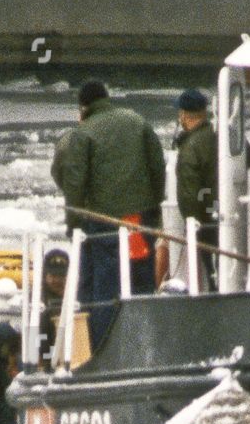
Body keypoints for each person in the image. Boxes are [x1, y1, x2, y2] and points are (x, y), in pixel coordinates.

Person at [51, 80, 166, 351]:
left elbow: (75, 182)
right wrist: (153, 206)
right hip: (139, 220)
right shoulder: (137, 121)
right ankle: (143, 344)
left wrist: (74, 223)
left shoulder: (83, 133)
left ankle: (102, 349)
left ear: (83, 106)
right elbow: (158, 165)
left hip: (103, 223)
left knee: (101, 292)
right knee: (141, 282)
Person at [172, 88, 218, 291]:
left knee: (212, 269)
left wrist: (192, 223)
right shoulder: (221, 135)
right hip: (222, 211)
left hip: (204, 219)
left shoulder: (190, 147)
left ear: (183, 114)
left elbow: (190, 191)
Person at [39, 248, 70, 361]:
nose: (57, 280)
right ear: (45, 275)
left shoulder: (76, 296)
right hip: (46, 353)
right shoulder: (38, 299)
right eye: (53, 276)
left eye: (61, 276)